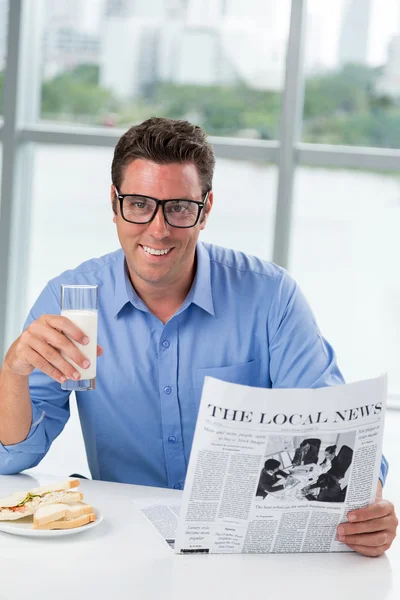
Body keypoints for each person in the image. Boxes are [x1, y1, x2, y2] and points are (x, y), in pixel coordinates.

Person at [0, 117, 397, 556]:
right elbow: (13, 458)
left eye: (179, 207)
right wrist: (13, 372)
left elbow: (332, 423)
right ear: (115, 204)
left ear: (205, 210)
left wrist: (368, 505)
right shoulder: (69, 299)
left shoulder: (270, 297)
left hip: (248, 546)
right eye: (138, 204)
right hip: (122, 545)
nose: (158, 228)